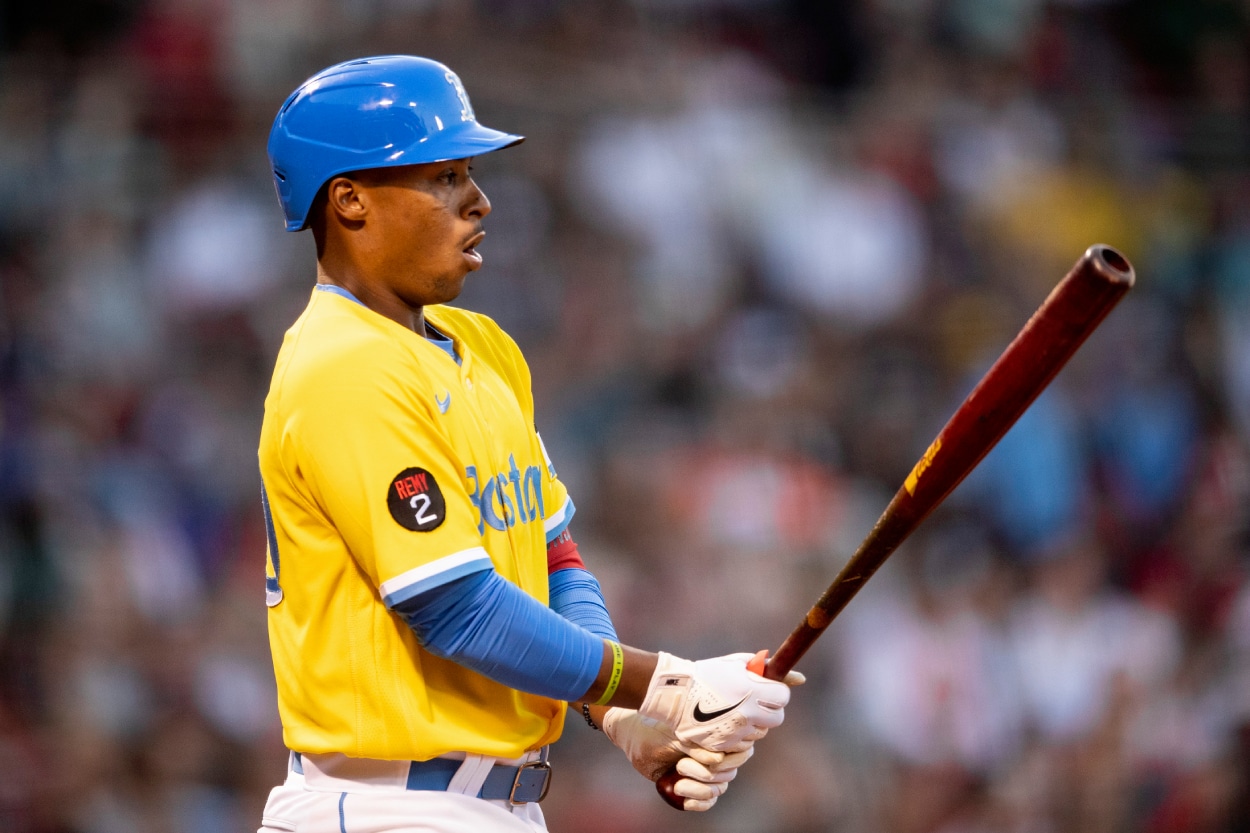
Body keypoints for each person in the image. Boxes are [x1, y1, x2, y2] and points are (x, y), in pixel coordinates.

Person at [255, 55, 800, 833]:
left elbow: (553, 558)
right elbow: (455, 609)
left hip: (488, 806)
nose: (478, 200)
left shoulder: (482, 348)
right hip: (385, 806)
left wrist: (618, 714)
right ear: (349, 201)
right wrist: (667, 685)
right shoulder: (343, 364)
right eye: (443, 176)